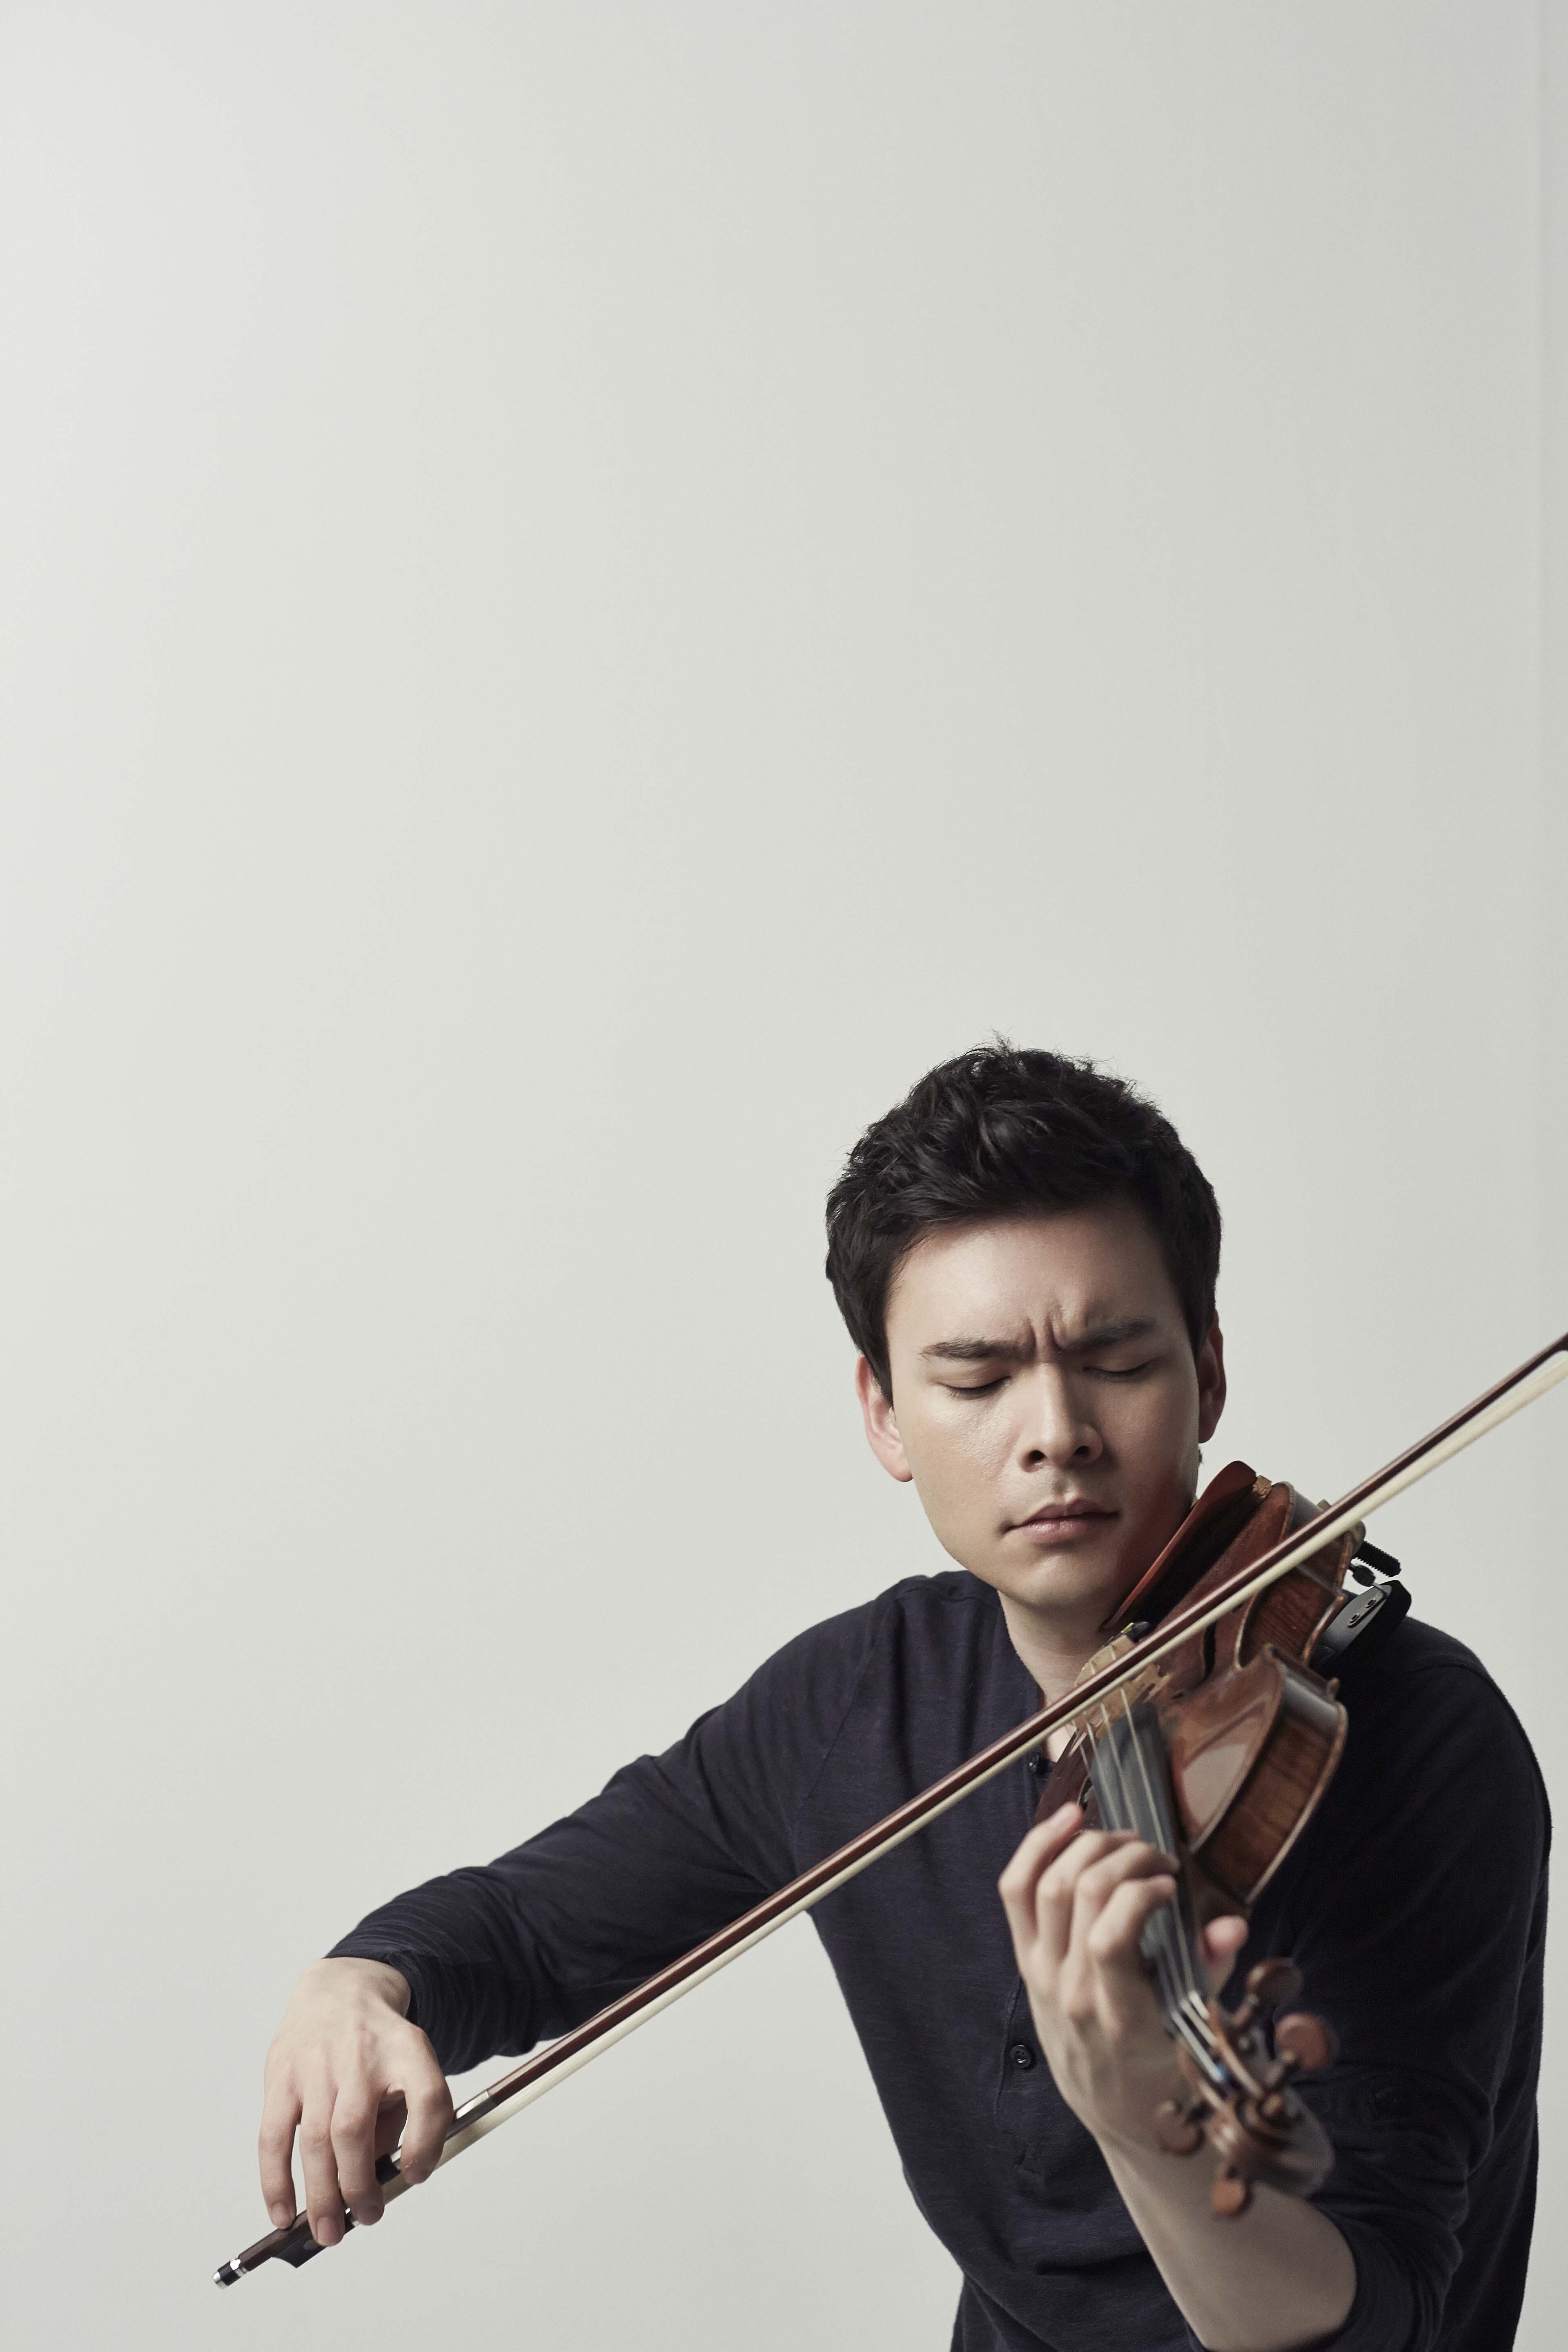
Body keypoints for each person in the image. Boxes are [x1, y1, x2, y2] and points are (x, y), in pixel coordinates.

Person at [257, 1045, 1547, 2352]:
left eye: (1116, 1359)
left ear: (1208, 1372)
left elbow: (1384, 2322)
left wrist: (1144, 2127)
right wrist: (361, 1984)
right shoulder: (861, 1704)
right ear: (884, 1413)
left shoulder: (1418, 1747)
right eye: (978, 1380)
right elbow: (534, 1932)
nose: (1055, 1430)